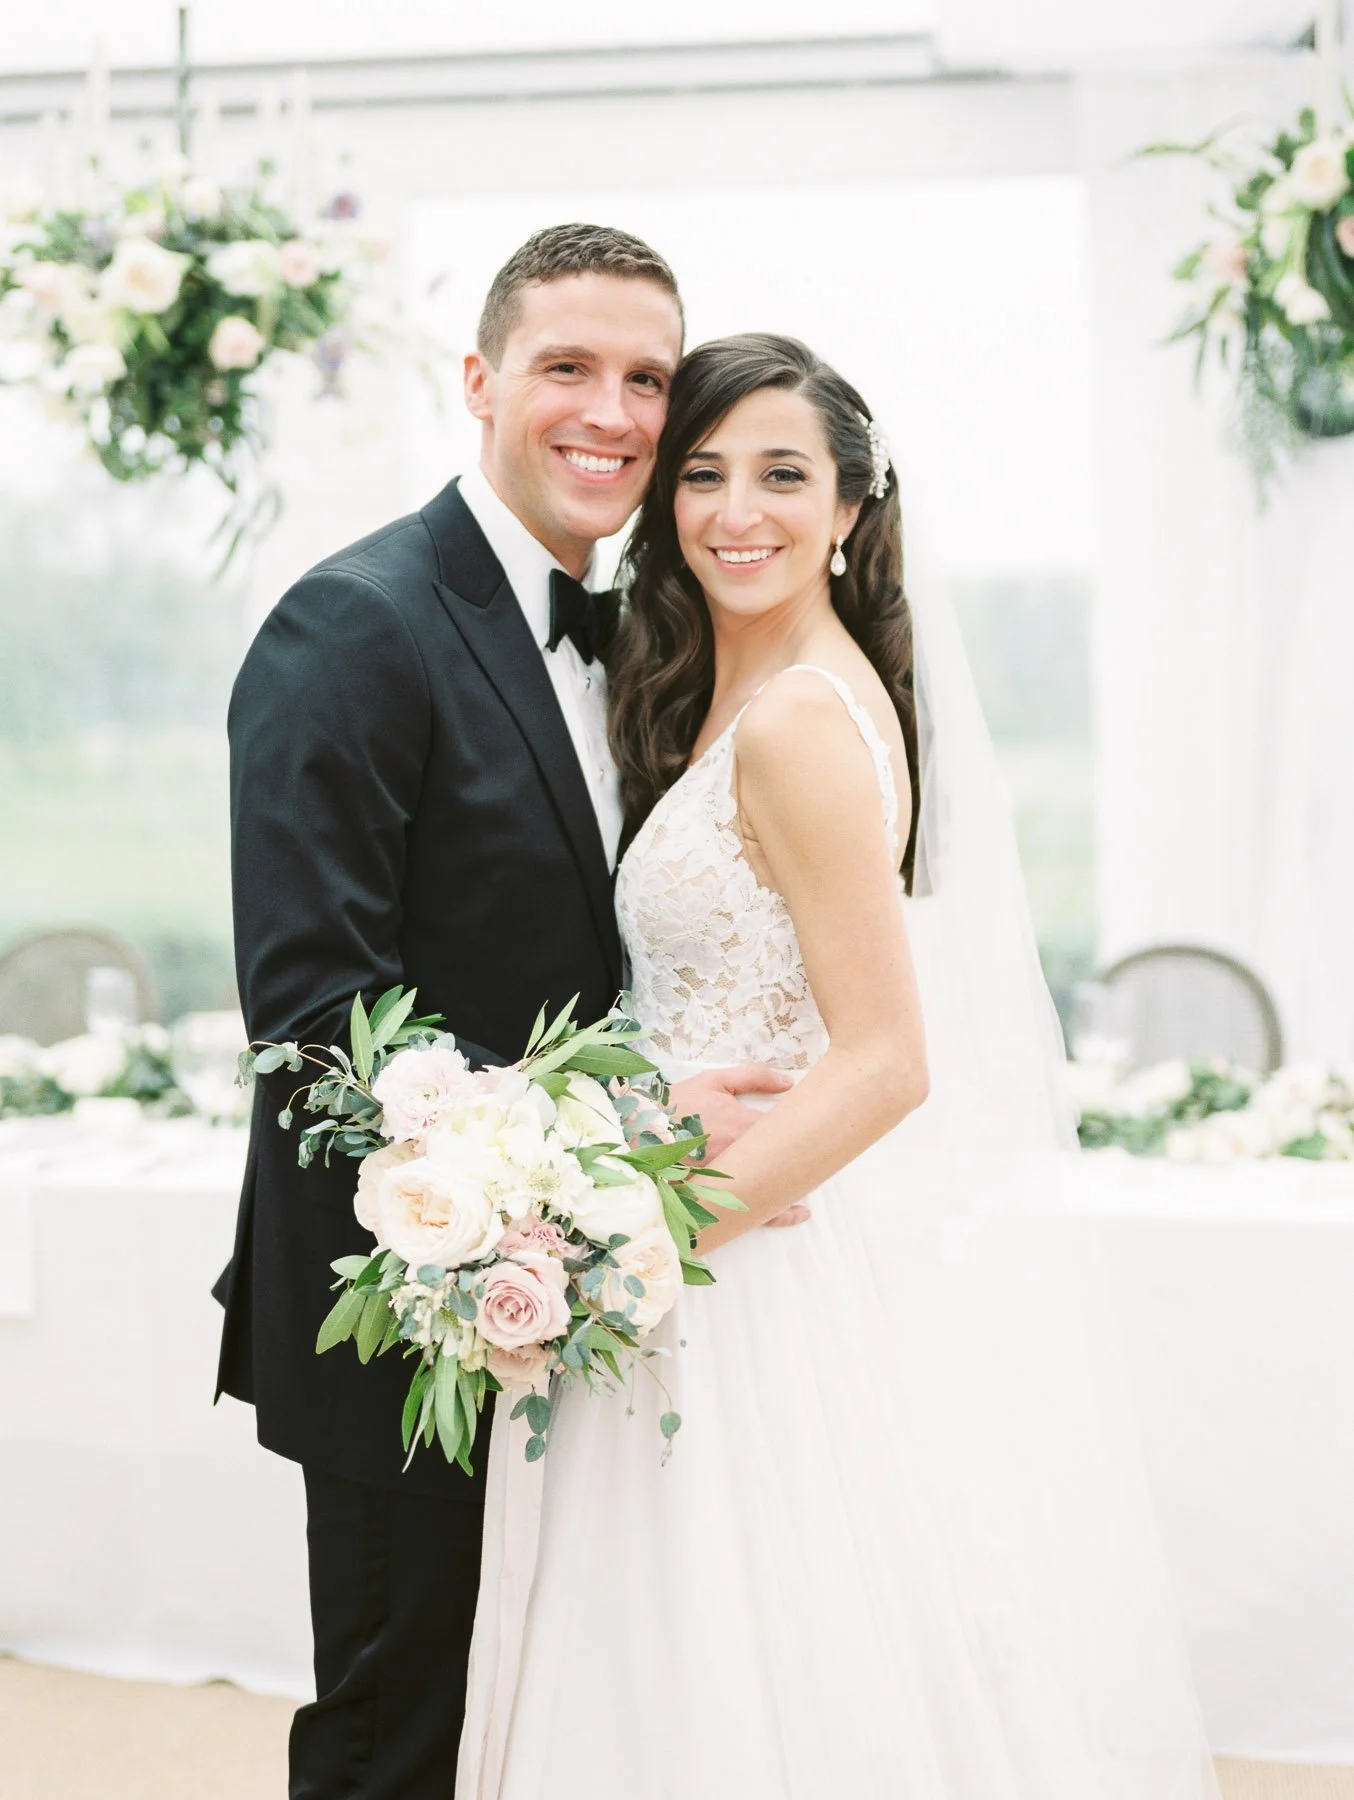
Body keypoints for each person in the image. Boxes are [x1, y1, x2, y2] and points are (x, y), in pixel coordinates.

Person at [461, 334, 1222, 1799]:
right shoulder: (742, 693)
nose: (737, 511)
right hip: (715, 1223)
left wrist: (638, 1241)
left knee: (755, 1668)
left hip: (740, 1251)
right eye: (702, 475)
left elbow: (884, 1062)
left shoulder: (804, 716)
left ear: (854, 509)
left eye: (783, 476)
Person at [212, 227, 795, 1800]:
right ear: (477, 383)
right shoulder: (356, 624)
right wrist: (629, 1136)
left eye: (646, 379)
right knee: (400, 1727)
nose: (611, 412)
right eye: (567, 368)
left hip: (578, 1285)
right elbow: (317, 1013)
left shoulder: (640, 636)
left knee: (540, 1718)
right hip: (405, 1286)